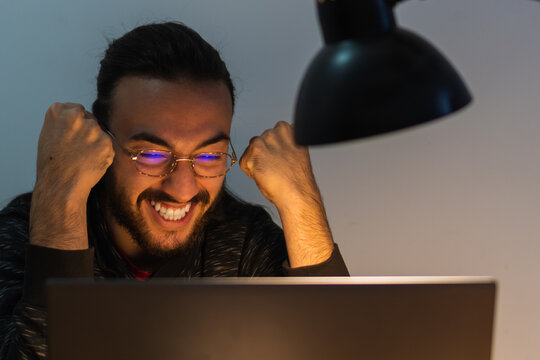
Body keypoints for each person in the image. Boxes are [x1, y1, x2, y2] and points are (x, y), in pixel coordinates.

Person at [0, 22, 348, 359]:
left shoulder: (243, 242)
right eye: (151, 154)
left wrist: (301, 200)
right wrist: (60, 197)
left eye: (210, 155)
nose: (182, 189)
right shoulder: (24, 235)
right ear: (102, 144)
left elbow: (345, 347)